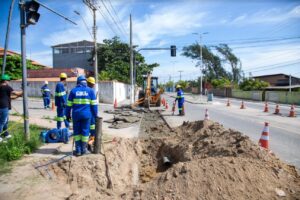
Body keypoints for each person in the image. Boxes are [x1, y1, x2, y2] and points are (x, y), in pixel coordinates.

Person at [66, 75, 98, 156]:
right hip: (86, 115)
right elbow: (94, 105)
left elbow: (68, 105)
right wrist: (95, 115)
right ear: (85, 82)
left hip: (76, 115)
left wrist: (67, 115)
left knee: (77, 132)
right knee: (85, 132)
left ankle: (78, 150)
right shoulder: (90, 91)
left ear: (78, 82)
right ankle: (84, 150)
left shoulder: (73, 91)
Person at [0, 74, 23, 142]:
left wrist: (18, 96)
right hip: (4, 107)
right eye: (8, 80)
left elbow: (9, 97)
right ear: (5, 80)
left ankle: (6, 134)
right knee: (2, 122)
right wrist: (23, 90)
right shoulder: (7, 87)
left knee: (5, 121)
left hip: (2, 105)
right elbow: (16, 93)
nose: (9, 82)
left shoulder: (1, 87)